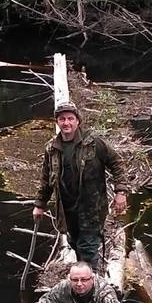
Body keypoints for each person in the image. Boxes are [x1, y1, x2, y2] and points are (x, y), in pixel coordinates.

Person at [33, 103, 129, 270]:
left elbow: (116, 163)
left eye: (70, 118)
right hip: (67, 208)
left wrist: (120, 191)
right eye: (62, 119)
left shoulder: (93, 143)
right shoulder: (52, 148)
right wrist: (40, 204)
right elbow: (46, 177)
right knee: (75, 243)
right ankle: (84, 279)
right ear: (57, 122)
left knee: (88, 247)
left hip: (92, 207)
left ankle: (91, 285)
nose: (66, 123)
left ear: (78, 121)